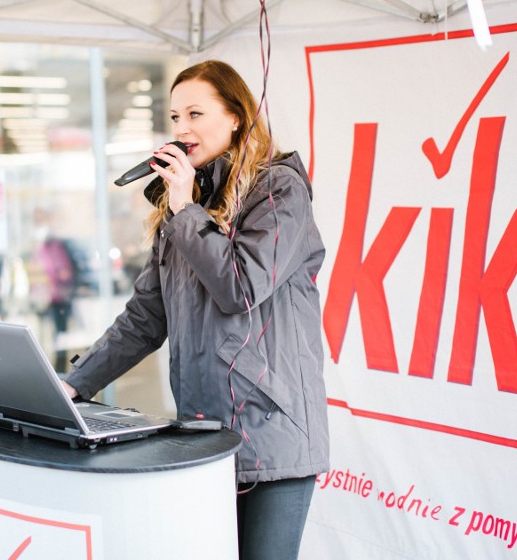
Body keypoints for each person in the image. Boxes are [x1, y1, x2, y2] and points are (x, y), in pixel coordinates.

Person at [62, 59, 330, 560]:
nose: (182, 130)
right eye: (174, 118)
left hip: (272, 438)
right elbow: (145, 318)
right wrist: (74, 384)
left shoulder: (279, 191)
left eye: (195, 114)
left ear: (235, 116)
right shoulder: (183, 209)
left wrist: (186, 210)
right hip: (204, 435)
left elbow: (241, 287)